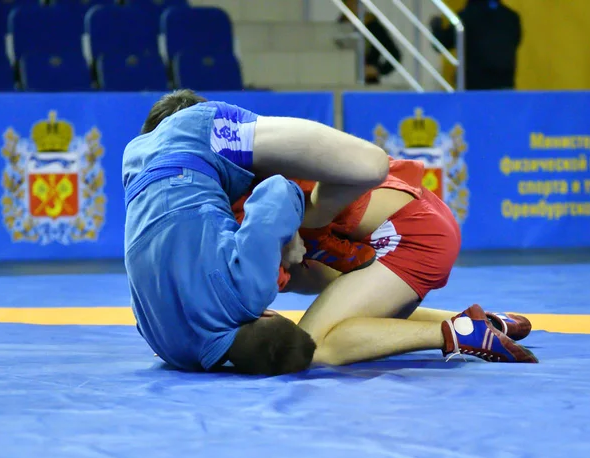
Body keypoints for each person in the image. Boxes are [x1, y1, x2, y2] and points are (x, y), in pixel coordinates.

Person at [122, 89, 389, 376]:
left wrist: (290, 234)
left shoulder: (248, 296)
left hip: (199, 134)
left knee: (372, 165)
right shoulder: (168, 348)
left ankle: (320, 229)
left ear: (269, 313)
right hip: (136, 165)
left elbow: (275, 193)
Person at [233, 157, 538, 366]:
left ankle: (462, 333)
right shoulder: (249, 154)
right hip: (415, 213)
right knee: (312, 282)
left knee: (309, 347)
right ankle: (489, 323)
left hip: (409, 234)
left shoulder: (234, 188)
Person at [430, 0, 522, 90]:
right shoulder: (512, 17)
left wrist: (436, 28)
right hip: (505, 86)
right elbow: (516, 41)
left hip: (473, 88)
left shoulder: (466, 17)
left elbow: (441, 44)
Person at [335, 0, 403, 84]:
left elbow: (394, 54)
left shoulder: (373, 25)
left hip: (369, 82)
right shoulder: (340, 25)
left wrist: (377, 69)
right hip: (344, 81)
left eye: (354, 2)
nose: (351, 5)